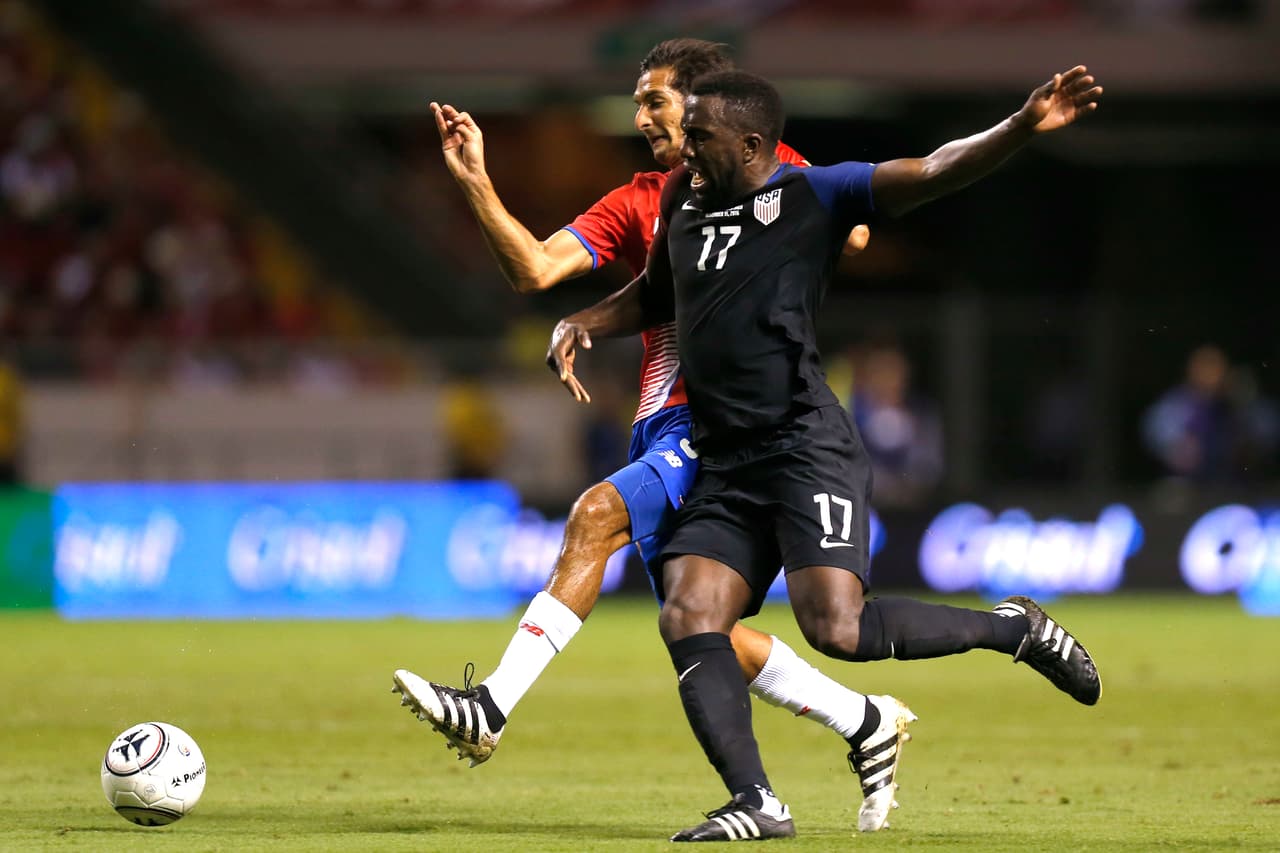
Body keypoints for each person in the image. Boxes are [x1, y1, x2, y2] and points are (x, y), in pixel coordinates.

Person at [548, 67, 1104, 841]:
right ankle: (756, 801)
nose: (686, 147)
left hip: (806, 447)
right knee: (689, 613)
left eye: (700, 135)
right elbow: (655, 294)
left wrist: (1016, 125)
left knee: (839, 630)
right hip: (723, 455)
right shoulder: (683, 197)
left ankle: (1015, 630)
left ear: (750, 144)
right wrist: (583, 321)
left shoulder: (814, 196)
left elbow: (936, 169)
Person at [390, 39, 895, 831]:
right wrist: (477, 182)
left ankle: (489, 707)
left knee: (595, 514)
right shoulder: (638, 201)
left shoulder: (762, 168)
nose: (641, 118)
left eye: (655, 101)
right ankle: (864, 721)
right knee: (706, 629)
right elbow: (535, 269)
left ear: (701, 109)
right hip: (657, 422)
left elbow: (850, 227)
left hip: (720, 422)